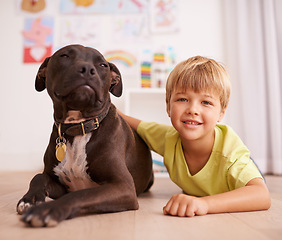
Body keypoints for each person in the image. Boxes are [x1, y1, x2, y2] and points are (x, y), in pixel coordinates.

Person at [118, 56, 271, 217]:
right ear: (168, 106)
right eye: (183, 99)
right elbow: (137, 124)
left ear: (221, 113)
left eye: (206, 102)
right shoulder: (168, 137)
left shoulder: (230, 156)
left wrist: (205, 203)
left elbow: (262, 195)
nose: (192, 109)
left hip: (237, 175)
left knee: (252, 177)